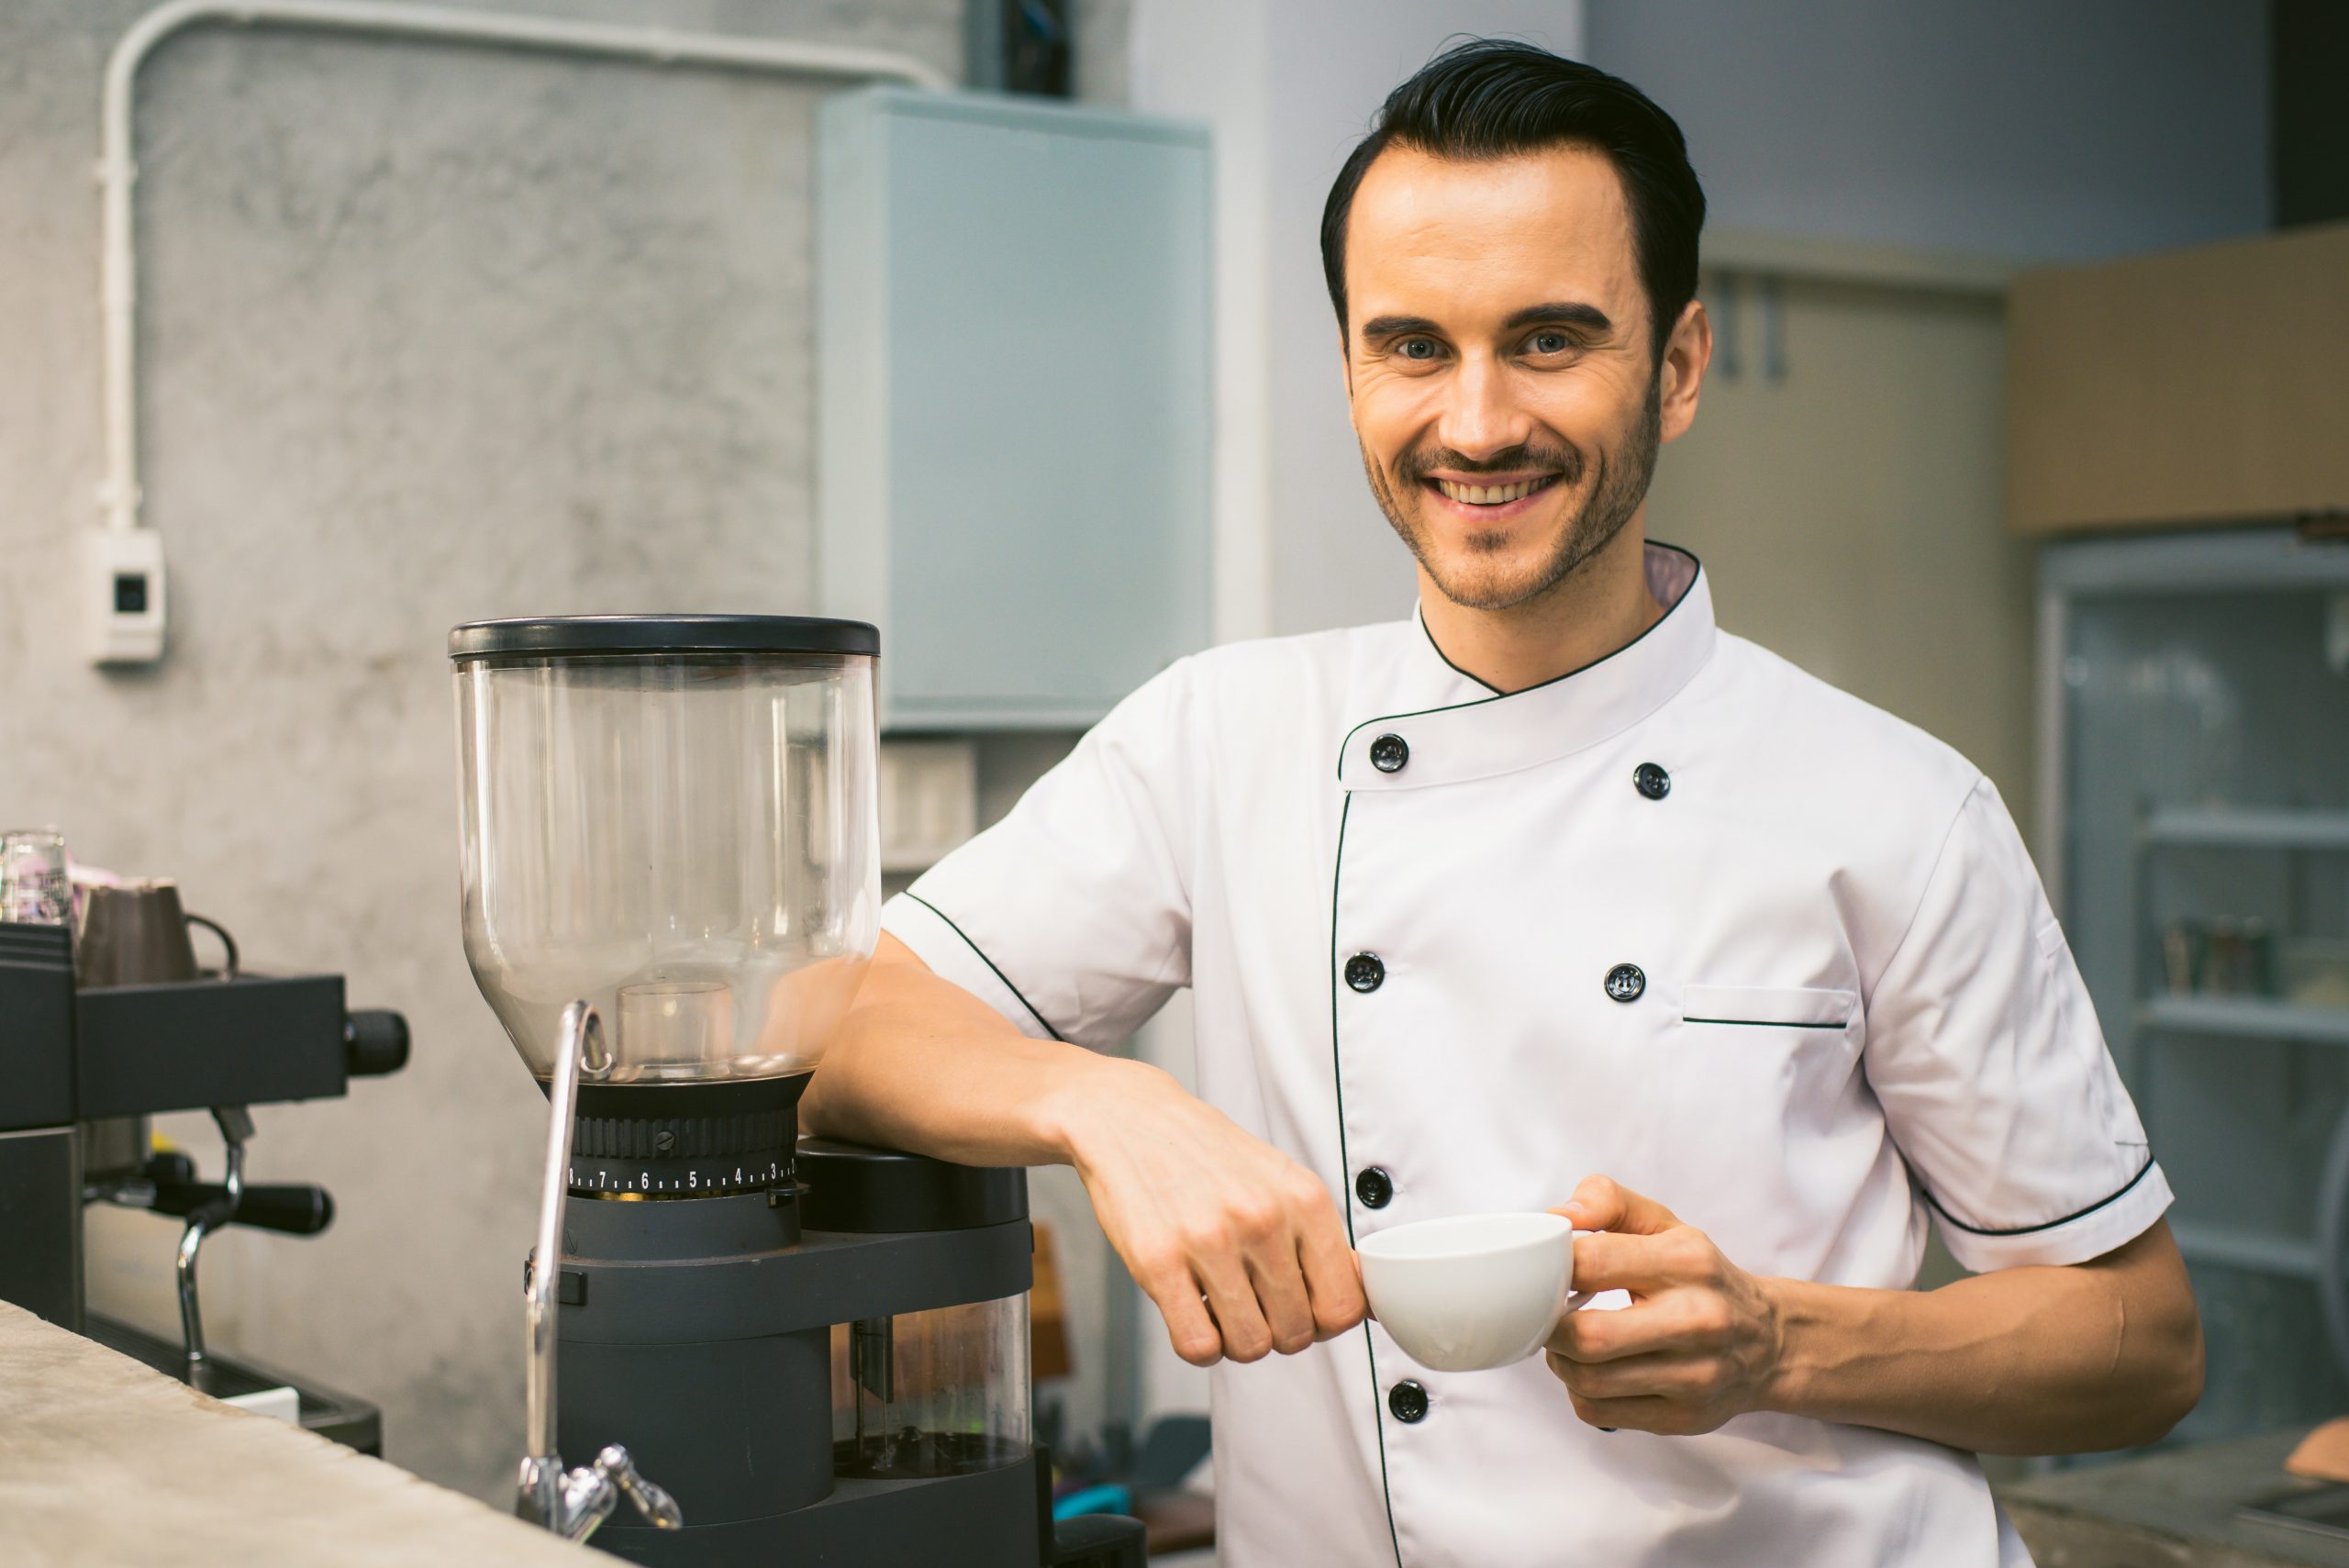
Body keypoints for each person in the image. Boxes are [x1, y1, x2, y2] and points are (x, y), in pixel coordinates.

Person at [799, 39, 2201, 1567]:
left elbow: (2138, 1340)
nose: (1473, 424)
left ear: (1676, 366)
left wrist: (1776, 1343)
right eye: (1413, 345)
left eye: (1548, 341)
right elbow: (838, 1026)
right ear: (1349, 367)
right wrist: (1101, 1103)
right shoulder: (1226, 737)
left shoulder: (1898, 809)